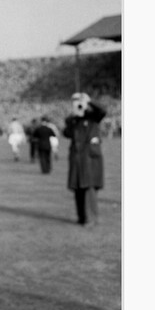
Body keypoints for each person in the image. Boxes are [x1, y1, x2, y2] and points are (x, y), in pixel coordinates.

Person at [63, 92, 107, 227]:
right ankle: (82, 217)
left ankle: (91, 218)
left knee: (89, 188)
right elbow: (67, 133)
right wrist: (74, 116)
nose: (79, 104)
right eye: (75, 101)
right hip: (76, 159)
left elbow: (102, 111)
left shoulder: (93, 117)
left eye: (79, 101)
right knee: (78, 189)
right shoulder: (73, 120)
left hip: (90, 158)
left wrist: (89, 102)